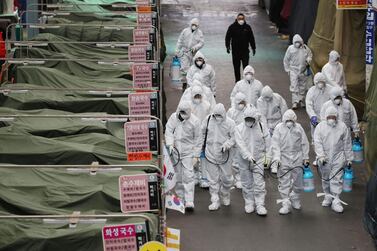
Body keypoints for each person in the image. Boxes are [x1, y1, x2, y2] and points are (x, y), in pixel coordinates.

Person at [314, 106, 353, 213]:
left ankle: (336, 200)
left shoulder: (342, 126)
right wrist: (321, 155)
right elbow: (317, 142)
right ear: (326, 116)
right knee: (325, 178)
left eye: (333, 117)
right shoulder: (320, 127)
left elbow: (347, 143)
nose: (331, 119)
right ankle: (327, 196)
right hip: (324, 158)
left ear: (337, 117)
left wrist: (349, 158)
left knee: (337, 179)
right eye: (329, 117)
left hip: (338, 156)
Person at [271, 109, 310, 214]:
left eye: (291, 120)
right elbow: (275, 145)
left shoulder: (298, 128)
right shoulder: (279, 128)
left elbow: (304, 143)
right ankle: (285, 203)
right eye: (287, 120)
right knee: (284, 181)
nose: (289, 122)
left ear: (294, 120)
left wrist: (305, 157)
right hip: (283, 157)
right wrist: (277, 158)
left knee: (298, 180)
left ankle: (295, 198)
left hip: (297, 157)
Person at [165, 101, 201, 210]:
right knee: (179, 176)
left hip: (188, 152)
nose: (183, 115)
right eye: (181, 112)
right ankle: (181, 198)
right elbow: (169, 131)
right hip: (175, 152)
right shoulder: (173, 118)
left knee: (189, 176)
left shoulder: (195, 121)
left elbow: (198, 139)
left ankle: (189, 201)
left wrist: (196, 155)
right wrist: (170, 144)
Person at [200, 104, 236, 211]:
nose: (217, 118)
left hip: (225, 155)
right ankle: (215, 200)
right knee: (213, 179)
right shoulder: (208, 120)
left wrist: (227, 145)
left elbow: (234, 138)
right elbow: (202, 133)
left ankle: (225, 193)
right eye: (215, 115)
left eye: (219, 115)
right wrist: (200, 147)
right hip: (210, 153)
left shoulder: (230, 123)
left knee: (227, 178)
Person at [235, 106, 270, 216]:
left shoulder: (261, 127)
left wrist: (267, 159)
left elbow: (268, 144)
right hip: (244, 160)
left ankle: (260, 204)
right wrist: (248, 156)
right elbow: (240, 145)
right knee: (246, 183)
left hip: (259, 159)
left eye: (251, 119)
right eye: (247, 119)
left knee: (259, 183)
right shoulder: (239, 128)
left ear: (255, 118)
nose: (249, 122)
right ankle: (249, 203)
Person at [189, 85, 212, 188]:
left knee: (203, 157)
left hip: (203, 135)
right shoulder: (188, 106)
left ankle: (204, 177)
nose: (197, 98)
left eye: (199, 95)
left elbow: (210, 119)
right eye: (196, 96)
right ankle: (195, 175)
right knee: (193, 156)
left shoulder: (207, 105)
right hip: (191, 135)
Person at [283, 34, 313, 110]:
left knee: (302, 86)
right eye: (295, 42)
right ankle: (295, 102)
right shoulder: (290, 49)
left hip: (303, 70)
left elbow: (310, 55)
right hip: (293, 70)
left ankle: (301, 100)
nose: (297, 43)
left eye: (298, 42)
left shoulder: (305, 48)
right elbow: (286, 59)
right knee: (294, 86)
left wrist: (309, 59)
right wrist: (288, 70)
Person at [225, 13, 256, 82]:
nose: (241, 20)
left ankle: (247, 80)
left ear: (244, 19)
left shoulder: (247, 27)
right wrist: (227, 46)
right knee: (236, 68)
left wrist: (253, 48)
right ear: (237, 19)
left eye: (242, 19)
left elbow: (251, 38)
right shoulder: (232, 27)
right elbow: (228, 37)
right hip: (235, 52)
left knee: (246, 68)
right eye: (239, 19)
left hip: (245, 52)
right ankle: (238, 81)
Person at [227, 92, 249, 189]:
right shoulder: (231, 112)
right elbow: (227, 126)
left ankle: (246, 178)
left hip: (247, 140)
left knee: (246, 159)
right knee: (236, 161)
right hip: (235, 141)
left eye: (242, 102)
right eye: (239, 102)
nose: (241, 104)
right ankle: (238, 178)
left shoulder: (249, 111)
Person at [305, 72, 331, 141]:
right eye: (318, 82)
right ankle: (315, 143)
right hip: (315, 116)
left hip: (327, 116)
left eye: (322, 82)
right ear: (315, 82)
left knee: (327, 134)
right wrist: (312, 116)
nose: (320, 83)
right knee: (315, 134)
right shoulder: (311, 91)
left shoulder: (330, 89)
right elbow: (309, 105)